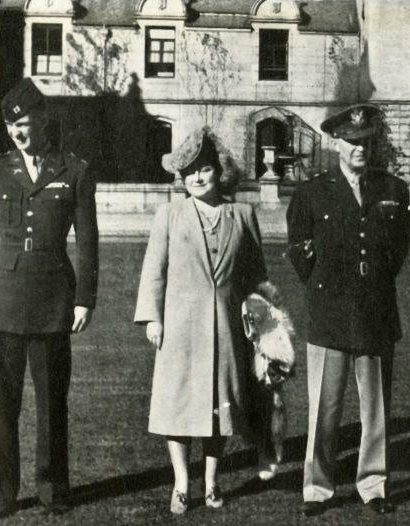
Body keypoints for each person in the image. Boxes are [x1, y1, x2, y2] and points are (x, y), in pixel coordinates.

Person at [0, 78, 98, 518]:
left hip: (52, 301)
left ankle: (53, 490)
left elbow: (88, 241)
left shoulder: (75, 170)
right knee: (1, 406)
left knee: (51, 404)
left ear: (43, 120)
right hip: (3, 298)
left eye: (25, 123)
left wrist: (84, 298)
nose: (19, 133)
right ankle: (4, 493)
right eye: (13, 127)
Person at [134, 128, 275, 515]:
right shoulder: (169, 214)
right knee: (177, 405)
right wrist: (152, 318)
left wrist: (260, 324)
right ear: (182, 176)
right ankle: (181, 484)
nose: (198, 177)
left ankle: (212, 482)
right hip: (179, 329)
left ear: (221, 171)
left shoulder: (243, 215)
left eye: (206, 169)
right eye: (191, 171)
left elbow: (256, 277)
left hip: (228, 329)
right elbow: (154, 271)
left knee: (220, 405)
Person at [286, 104, 410, 517]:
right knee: (325, 406)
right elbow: (299, 252)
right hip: (329, 312)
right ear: (334, 142)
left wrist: (369, 282)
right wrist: (326, 288)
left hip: (375, 310)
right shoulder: (312, 192)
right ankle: (318, 486)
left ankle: (373, 484)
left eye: (366, 141)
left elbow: (397, 252)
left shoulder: (393, 189)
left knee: (375, 407)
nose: (360, 148)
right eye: (352, 141)